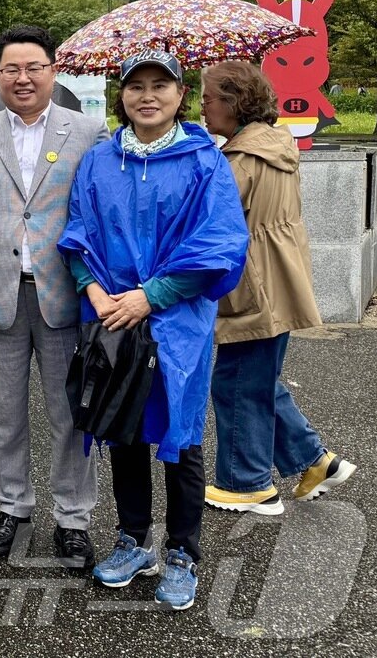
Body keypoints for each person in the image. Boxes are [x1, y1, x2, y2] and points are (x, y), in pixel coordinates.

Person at [59, 50, 248, 611]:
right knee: (123, 427)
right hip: (113, 317)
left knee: (179, 437)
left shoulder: (203, 162)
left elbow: (217, 244)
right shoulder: (98, 162)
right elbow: (77, 235)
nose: (147, 95)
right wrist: (93, 290)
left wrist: (152, 295)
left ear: (181, 94)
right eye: (135, 85)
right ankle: (133, 539)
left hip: (176, 323)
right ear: (121, 95)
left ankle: (184, 550)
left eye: (159, 85)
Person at [0, 25, 106, 566]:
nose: (23, 78)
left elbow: (102, 213)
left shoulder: (90, 132)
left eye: (34, 67)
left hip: (67, 292)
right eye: (11, 69)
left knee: (72, 411)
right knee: (2, 412)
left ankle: (73, 517)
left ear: (53, 69)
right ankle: (12, 506)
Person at [200, 61, 356, 514]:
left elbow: (209, 224)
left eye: (208, 98)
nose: (202, 107)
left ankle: (246, 483)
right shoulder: (276, 144)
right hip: (279, 278)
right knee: (257, 377)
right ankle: (314, 460)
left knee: (235, 382)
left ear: (233, 103)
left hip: (252, 285)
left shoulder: (240, 161)